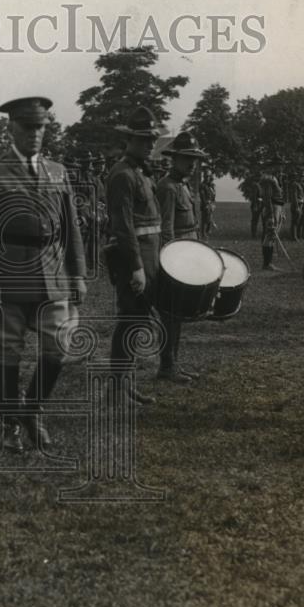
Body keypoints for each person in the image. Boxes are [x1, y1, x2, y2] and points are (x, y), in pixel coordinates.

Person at [0, 96, 85, 453]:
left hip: (51, 273)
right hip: (8, 275)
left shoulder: (57, 171)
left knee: (58, 349)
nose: (35, 134)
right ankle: (9, 427)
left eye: (41, 127)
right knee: (9, 353)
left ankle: (32, 411)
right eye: (27, 127)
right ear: (12, 128)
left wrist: (78, 273)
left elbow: (71, 227)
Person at [106, 107, 168, 406]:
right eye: (144, 139)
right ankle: (117, 389)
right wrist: (136, 268)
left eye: (152, 139)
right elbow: (124, 226)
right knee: (129, 320)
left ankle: (124, 384)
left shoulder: (141, 172)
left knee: (138, 320)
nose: (150, 144)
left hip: (150, 256)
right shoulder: (122, 175)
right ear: (129, 140)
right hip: (135, 260)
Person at [154, 130, 206, 384]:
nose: (192, 163)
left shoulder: (184, 185)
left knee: (178, 314)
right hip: (176, 258)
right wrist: (172, 264)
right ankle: (167, 366)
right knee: (170, 315)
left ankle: (172, 364)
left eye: (195, 159)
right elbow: (166, 229)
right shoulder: (167, 187)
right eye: (187, 158)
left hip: (189, 254)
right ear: (174, 159)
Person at [259, 156, 286, 271]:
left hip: (278, 207)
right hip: (272, 208)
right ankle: (267, 264)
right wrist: (270, 216)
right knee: (270, 235)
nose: (281, 168)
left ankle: (269, 263)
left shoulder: (276, 178)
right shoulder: (268, 179)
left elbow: (280, 197)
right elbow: (267, 198)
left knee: (272, 236)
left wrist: (282, 211)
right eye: (279, 165)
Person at [199, 167, 216, 239]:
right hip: (205, 205)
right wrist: (206, 204)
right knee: (205, 220)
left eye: (208, 176)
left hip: (211, 204)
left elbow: (213, 195)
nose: (207, 178)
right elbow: (202, 196)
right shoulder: (202, 185)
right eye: (206, 176)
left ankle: (207, 233)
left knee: (209, 219)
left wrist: (212, 203)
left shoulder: (211, 185)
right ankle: (203, 234)